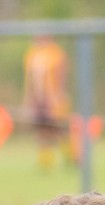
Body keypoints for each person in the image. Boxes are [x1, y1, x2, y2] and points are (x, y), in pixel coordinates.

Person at [23, 36, 70, 172]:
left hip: (53, 99)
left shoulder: (56, 54)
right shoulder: (32, 55)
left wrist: (59, 96)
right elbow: (29, 80)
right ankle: (46, 163)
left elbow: (61, 77)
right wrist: (28, 98)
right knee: (41, 130)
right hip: (38, 99)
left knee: (58, 130)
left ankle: (71, 157)